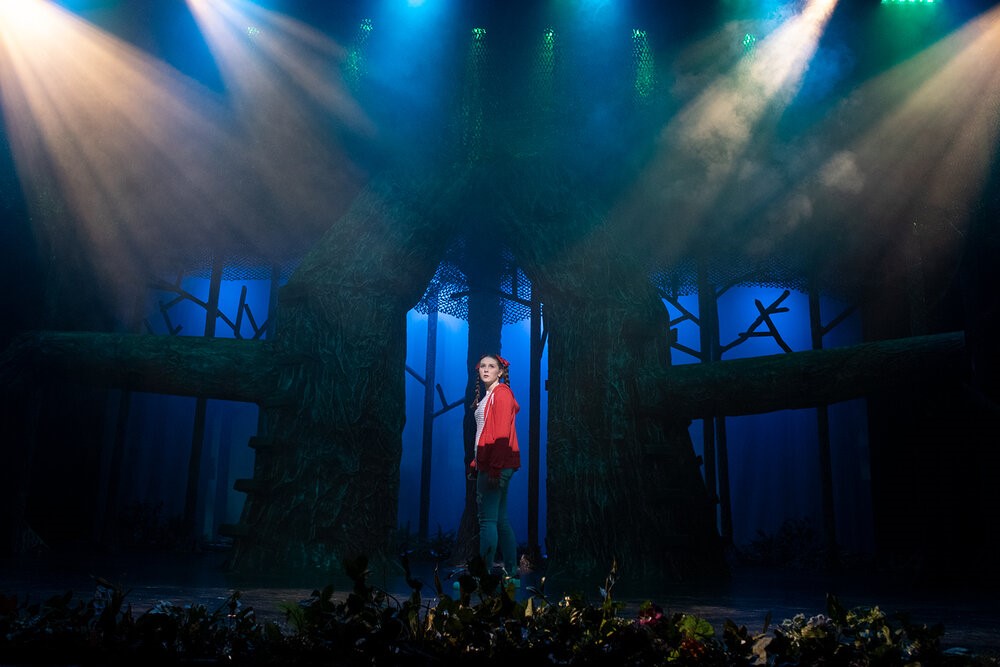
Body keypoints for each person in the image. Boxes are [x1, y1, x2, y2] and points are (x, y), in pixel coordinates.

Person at [469, 353, 521, 584]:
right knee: (499, 519)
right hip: (492, 464)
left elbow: (501, 435)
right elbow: (484, 433)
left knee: (487, 521)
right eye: (483, 366)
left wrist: (494, 468)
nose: (486, 369)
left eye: (492, 366)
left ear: (500, 372)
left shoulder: (501, 394)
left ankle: (484, 574)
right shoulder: (490, 395)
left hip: (496, 466)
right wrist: (476, 463)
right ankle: (511, 571)